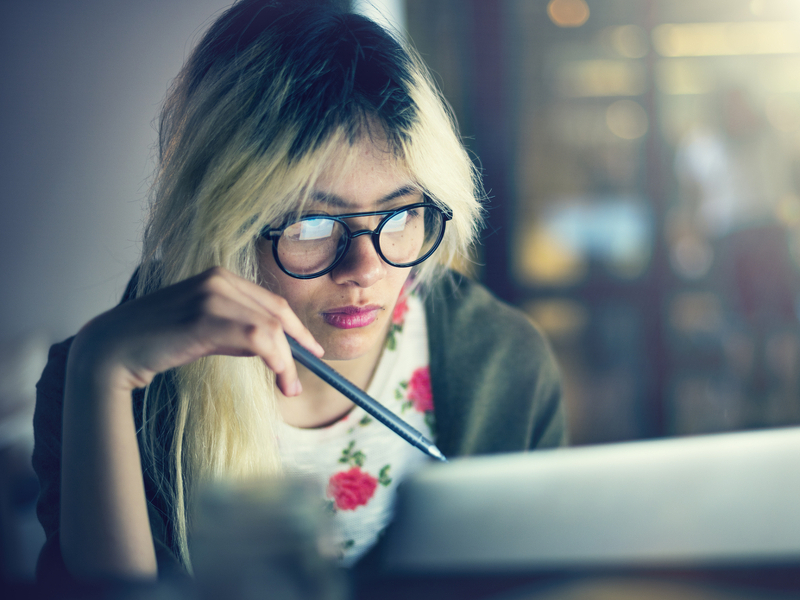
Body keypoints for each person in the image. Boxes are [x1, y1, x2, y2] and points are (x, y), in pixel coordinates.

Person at [32, 0, 566, 584]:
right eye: (311, 224)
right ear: (222, 223)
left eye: (399, 214)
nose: (365, 268)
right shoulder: (96, 384)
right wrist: (100, 372)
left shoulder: (502, 358)